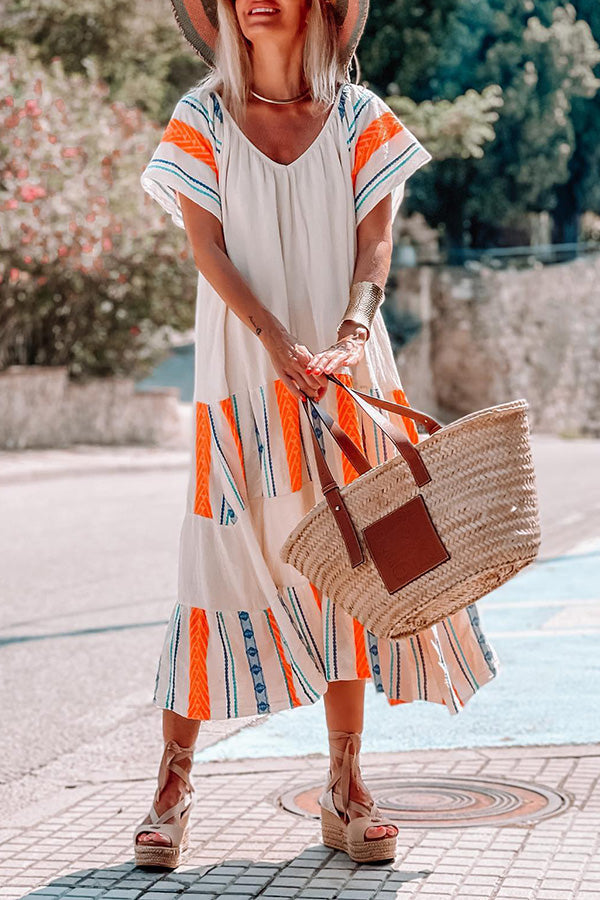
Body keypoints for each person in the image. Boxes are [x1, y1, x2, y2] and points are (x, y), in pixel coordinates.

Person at [134, 0, 500, 869]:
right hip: (242, 382)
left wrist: (350, 335)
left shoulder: (358, 117)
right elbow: (207, 249)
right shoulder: (202, 117)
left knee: (352, 570)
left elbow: (377, 242)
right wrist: (276, 342)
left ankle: (345, 785)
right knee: (213, 567)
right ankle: (173, 784)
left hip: (344, 373)